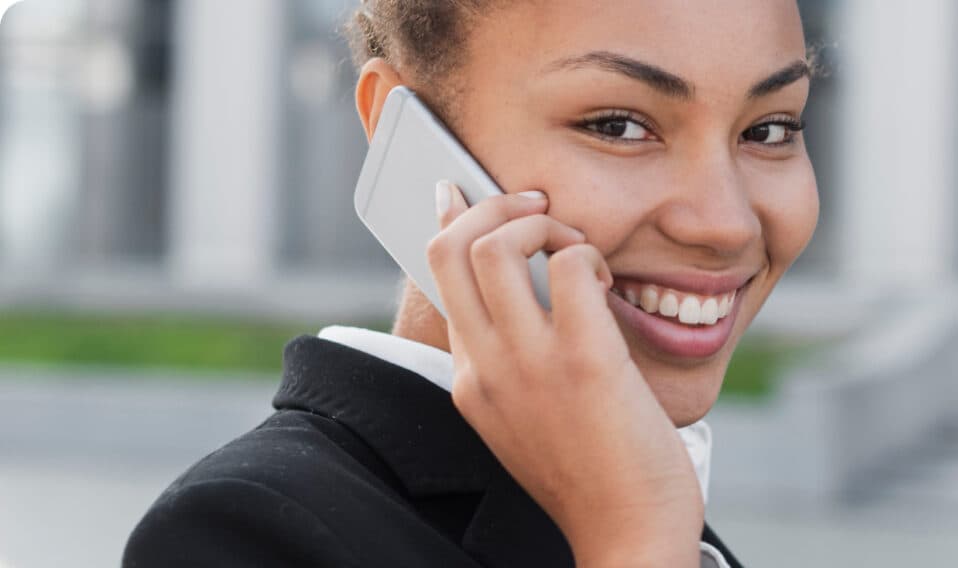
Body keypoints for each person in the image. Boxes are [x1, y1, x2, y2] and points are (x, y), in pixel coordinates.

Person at [123, 0, 819, 565]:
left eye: (770, 129)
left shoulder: (658, 496)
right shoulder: (239, 532)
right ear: (402, 128)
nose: (725, 224)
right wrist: (634, 540)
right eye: (619, 124)